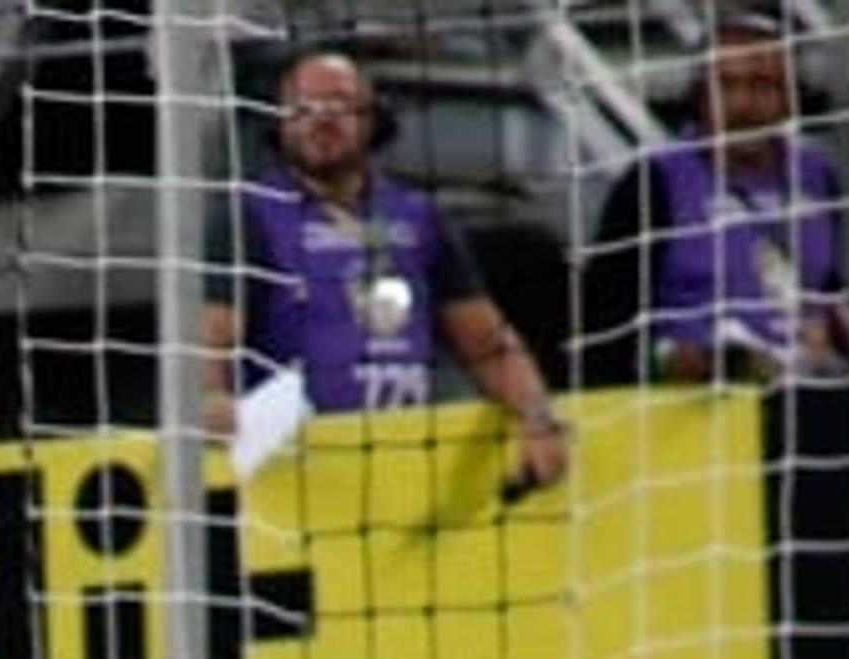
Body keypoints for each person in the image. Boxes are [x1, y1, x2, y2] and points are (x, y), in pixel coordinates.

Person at [205, 50, 573, 491]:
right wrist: (210, 399)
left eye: (340, 104)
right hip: (296, 475)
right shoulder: (251, 214)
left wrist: (538, 419)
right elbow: (210, 338)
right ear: (278, 122)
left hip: (408, 461)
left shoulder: (418, 217)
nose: (322, 118)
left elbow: (488, 344)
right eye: (303, 106)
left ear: (372, 118)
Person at [582, 13, 849, 387]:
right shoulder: (654, 180)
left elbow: (826, 285)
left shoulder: (816, 172)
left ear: (791, 97)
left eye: (763, 85)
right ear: (699, 94)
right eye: (726, 85)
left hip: (802, 395)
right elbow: (603, 321)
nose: (743, 103)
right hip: (692, 406)